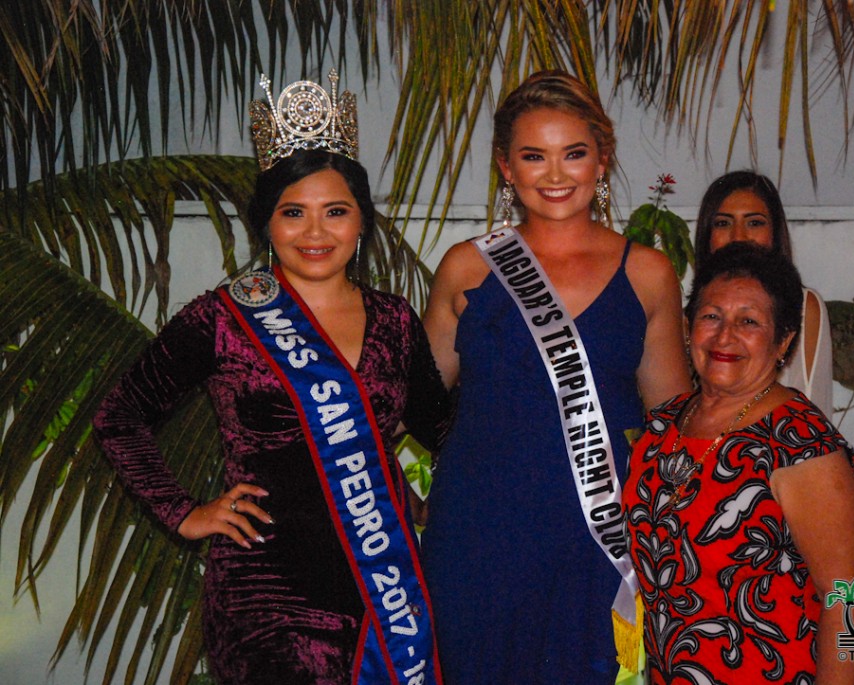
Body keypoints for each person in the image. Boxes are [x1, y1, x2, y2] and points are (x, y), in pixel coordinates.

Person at [92, 73, 450, 684]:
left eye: (335, 212)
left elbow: (442, 430)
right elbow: (118, 418)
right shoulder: (222, 317)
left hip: (380, 587)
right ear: (267, 223)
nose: (315, 233)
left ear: (361, 221)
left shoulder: (394, 320)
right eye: (293, 213)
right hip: (266, 596)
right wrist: (184, 512)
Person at [419, 70, 691, 684]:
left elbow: (671, 424)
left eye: (573, 153)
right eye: (533, 156)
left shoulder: (648, 272)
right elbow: (413, 404)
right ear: (505, 167)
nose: (555, 174)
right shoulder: (466, 267)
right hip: (479, 531)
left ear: (602, 158)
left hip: (598, 536)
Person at [624, 242, 854, 684]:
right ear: (688, 328)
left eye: (749, 321)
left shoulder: (799, 441)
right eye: (711, 316)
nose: (725, 337)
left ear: (783, 342)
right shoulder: (662, 426)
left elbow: (850, 599)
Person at [693, 170, 834, 416]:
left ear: (775, 232)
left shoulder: (804, 305)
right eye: (723, 223)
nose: (738, 236)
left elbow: (813, 407)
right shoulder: (692, 309)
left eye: (754, 223)